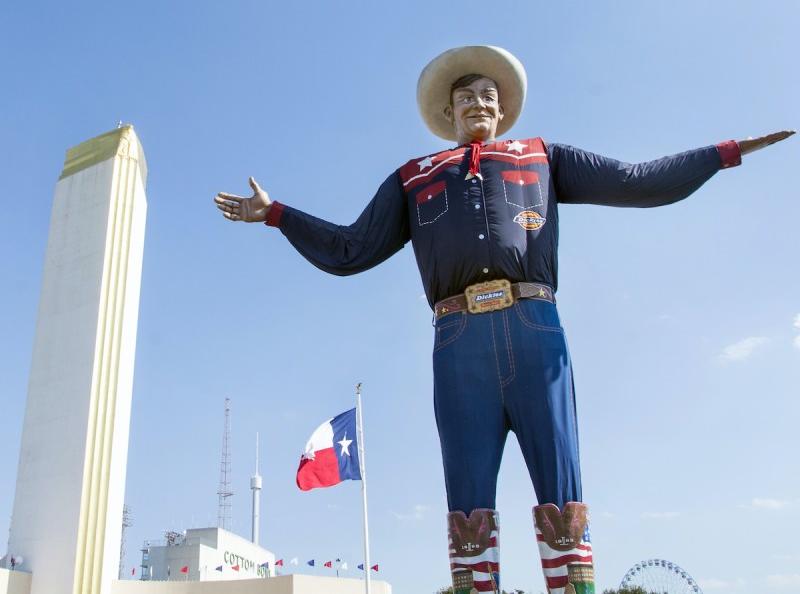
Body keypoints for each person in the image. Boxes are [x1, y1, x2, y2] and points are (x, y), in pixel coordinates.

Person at [215, 46, 793, 594]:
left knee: (563, 493)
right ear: (448, 112)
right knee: (467, 504)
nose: (480, 104)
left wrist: (723, 152)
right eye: (467, 97)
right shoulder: (415, 176)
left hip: (536, 327)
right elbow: (351, 249)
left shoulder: (544, 156)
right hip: (458, 339)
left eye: (490, 95)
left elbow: (635, 181)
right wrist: (278, 215)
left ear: (504, 107)